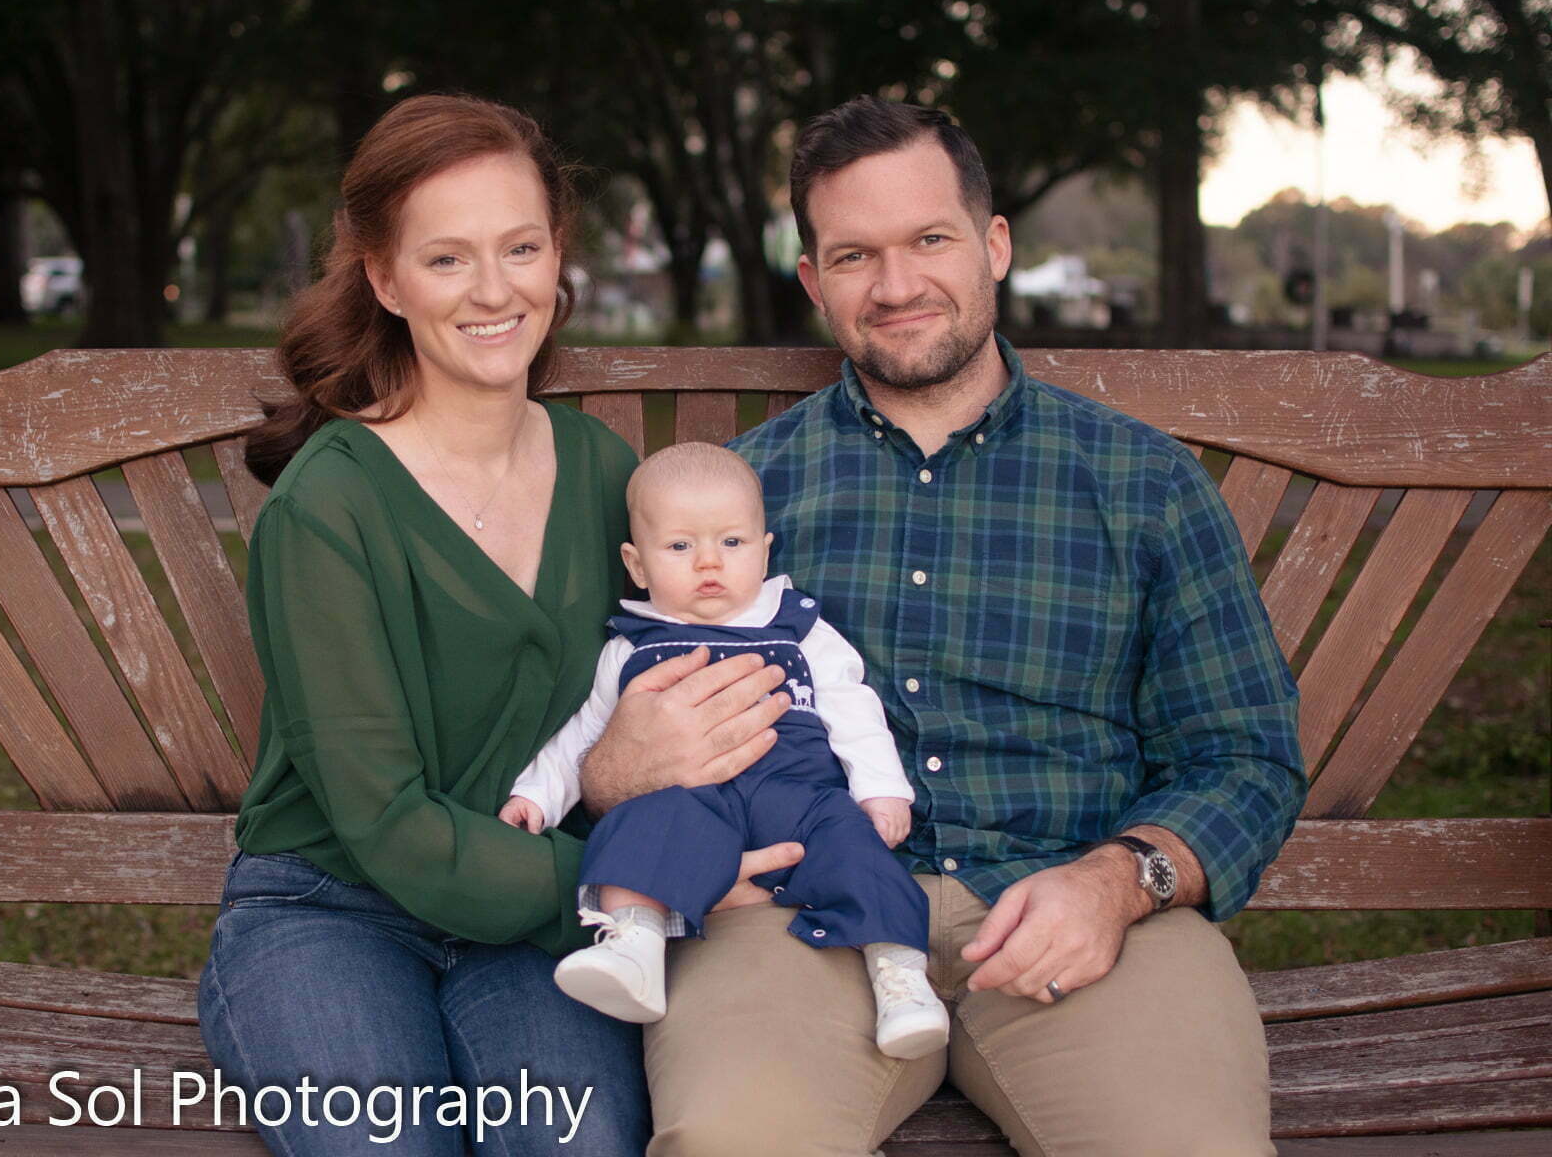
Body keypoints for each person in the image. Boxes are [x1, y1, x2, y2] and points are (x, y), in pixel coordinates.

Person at [575, 96, 1308, 1155]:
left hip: (1080, 905)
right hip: (797, 917)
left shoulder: (1139, 482)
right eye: (855, 254)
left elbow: (1243, 753)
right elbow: (616, 723)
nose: (899, 284)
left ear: (995, 244)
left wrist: (1120, 879)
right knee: (736, 1141)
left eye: (930, 239)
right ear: (814, 282)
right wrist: (615, 778)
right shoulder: (740, 505)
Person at [195, 93, 794, 1157]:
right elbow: (386, 825)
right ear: (383, 279)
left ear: (558, 254)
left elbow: (680, 674)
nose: (493, 291)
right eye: (446, 260)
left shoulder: (609, 474)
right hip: (334, 907)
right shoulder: (327, 508)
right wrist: (643, 884)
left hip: (529, 924)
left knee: (582, 1140)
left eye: (521, 248)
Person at [496, 442, 950, 1059]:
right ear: (637, 564)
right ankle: (633, 945)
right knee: (642, 822)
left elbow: (852, 706)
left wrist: (880, 789)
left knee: (856, 848)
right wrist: (537, 795)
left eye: (732, 544)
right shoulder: (633, 646)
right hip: (694, 805)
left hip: (802, 798)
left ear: (765, 550)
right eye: (680, 547)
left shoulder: (799, 628)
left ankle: (901, 979)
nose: (709, 562)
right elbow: (586, 735)